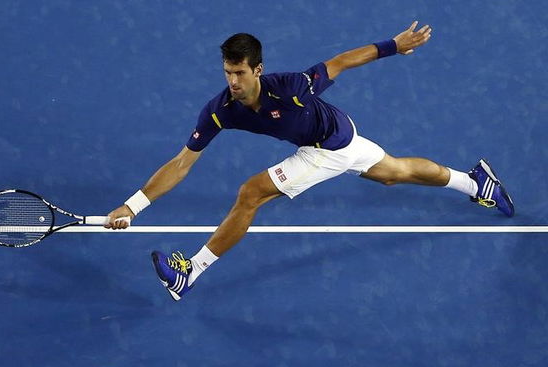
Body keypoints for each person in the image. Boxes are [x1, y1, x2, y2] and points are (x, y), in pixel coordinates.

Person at [105, 21, 514, 301]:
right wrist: (133, 205)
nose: (232, 81)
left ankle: (190, 272)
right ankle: (477, 183)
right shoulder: (220, 110)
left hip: (326, 149)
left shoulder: (292, 88)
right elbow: (181, 163)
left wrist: (394, 46)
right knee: (395, 173)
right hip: (344, 134)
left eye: (240, 73)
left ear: (258, 70)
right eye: (228, 72)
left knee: (251, 193)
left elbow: (339, 62)